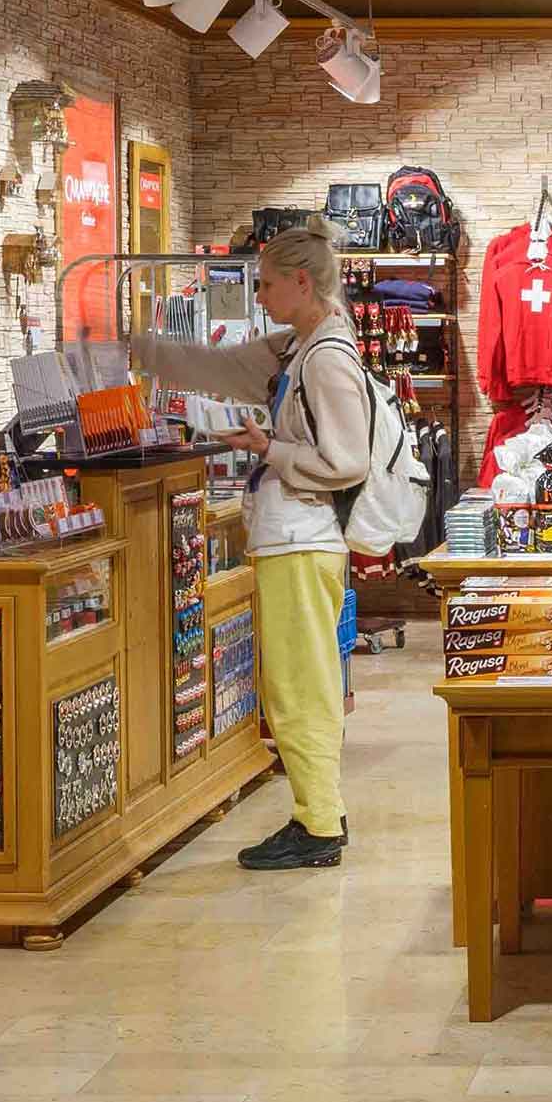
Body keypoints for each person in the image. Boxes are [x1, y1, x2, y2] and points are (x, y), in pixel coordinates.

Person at [131, 220, 371, 871]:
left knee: (299, 686)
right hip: (295, 538)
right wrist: (135, 348)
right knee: (299, 681)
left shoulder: (325, 358)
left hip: (302, 539)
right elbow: (225, 367)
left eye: (266, 285)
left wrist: (273, 449)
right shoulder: (301, 348)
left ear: (302, 283)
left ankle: (318, 825)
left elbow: (348, 460)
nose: (258, 296)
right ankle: (320, 811)